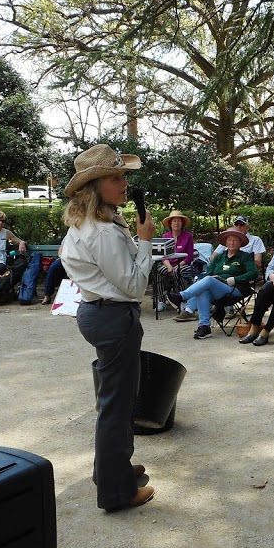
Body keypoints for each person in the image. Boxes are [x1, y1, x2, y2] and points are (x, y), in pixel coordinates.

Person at [57, 143, 157, 511]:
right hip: (114, 317)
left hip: (98, 312)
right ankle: (116, 492)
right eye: (115, 178)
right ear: (94, 187)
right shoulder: (103, 230)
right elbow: (133, 285)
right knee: (117, 407)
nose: (124, 184)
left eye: (123, 177)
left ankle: (111, 470)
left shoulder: (93, 223)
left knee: (111, 400)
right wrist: (145, 242)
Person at [181, 228, 259, 340]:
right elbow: (209, 272)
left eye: (235, 240)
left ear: (240, 243)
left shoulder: (244, 257)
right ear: (225, 243)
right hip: (217, 290)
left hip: (234, 290)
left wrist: (236, 279)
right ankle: (204, 326)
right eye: (229, 240)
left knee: (208, 280)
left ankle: (182, 296)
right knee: (204, 289)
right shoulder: (219, 257)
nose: (232, 243)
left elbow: (254, 273)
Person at [155, 210, 197, 309]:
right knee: (159, 271)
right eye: (174, 221)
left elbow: (190, 256)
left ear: (182, 223)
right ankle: (161, 300)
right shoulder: (165, 237)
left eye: (179, 221)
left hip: (184, 265)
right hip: (169, 265)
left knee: (179, 271)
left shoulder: (188, 236)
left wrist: (177, 266)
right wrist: (169, 266)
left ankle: (183, 300)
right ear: (170, 223)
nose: (176, 223)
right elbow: (163, 256)